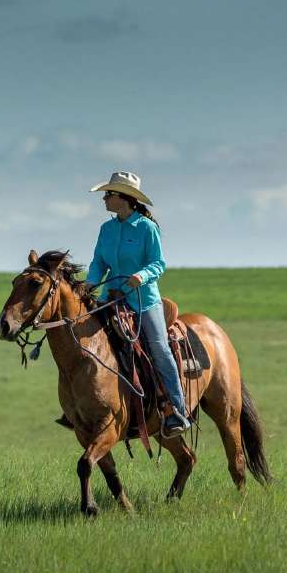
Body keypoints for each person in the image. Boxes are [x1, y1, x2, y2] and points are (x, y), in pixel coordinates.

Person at [84, 171, 192, 435]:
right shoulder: (106, 229)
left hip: (143, 301)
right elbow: (99, 262)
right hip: (110, 298)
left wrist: (141, 276)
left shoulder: (147, 228)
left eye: (108, 194)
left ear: (124, 198)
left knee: (159, 349)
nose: (104, 199)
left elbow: (158, 263)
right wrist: (90, 283)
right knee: (87, 341)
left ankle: (178, 411)